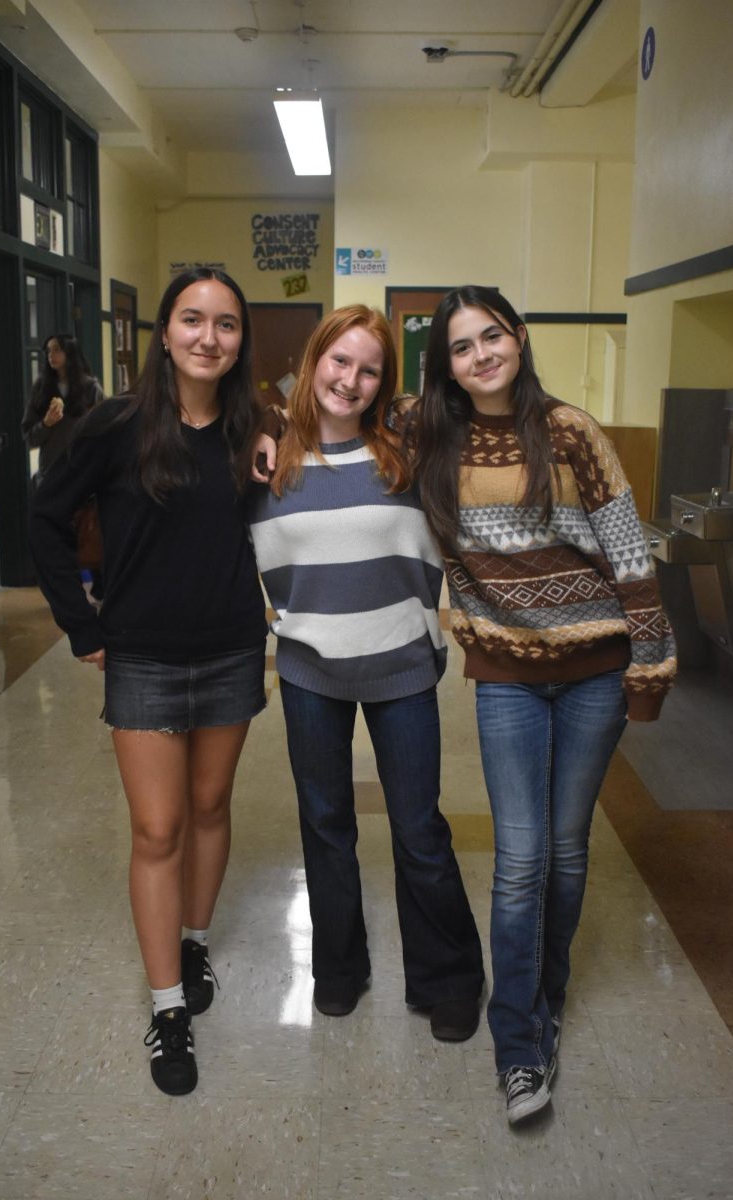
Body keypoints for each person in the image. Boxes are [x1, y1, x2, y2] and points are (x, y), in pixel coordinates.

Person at [412, 285, 677, 1124]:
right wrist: (274, 436)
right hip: (506, 676)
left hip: (596, 670)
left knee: (565, 853)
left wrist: (648, 667)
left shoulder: (570, 430)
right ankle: (518, 1047)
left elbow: (630, 551)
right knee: (522, 859)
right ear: (445, 365)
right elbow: (336, 409)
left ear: (519, 338)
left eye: (492, 336)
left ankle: (545, 1000)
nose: (482, 354)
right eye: (461, 346)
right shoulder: (432, 435)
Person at [30, 269, 267, 1096]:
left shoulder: (250, 429)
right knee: (158, 828)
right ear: (164, 332)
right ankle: (169, 1010)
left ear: (241, 340)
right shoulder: (114, 425)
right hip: (142, 659)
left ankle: (193, 939)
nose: (209, 336)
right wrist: (81, 624)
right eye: (193, 320)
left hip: (234, 647)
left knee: (209, 808)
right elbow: (43, 515)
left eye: (226, 324)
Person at [248, 305, 485, 1041]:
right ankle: (340, 970)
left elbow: (467, 405)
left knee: (419, 829)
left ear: (386, 383)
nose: (349, 379)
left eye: (369, 368)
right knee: (326, 826)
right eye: (338, 361)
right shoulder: (264, 463)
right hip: (311, 673)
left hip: (404, 667)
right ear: (314, 360)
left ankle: (447, 978)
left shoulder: (408, 456)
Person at [22, 332, 104, 479]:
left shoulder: (91, 387)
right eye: (48, 351)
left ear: (70, 352)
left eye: (57, 349)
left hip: (81, 469)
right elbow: (30, 438)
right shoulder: (41, 387)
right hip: (50, 470)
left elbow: (104, 430)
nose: (51, 355)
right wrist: (46, 423)